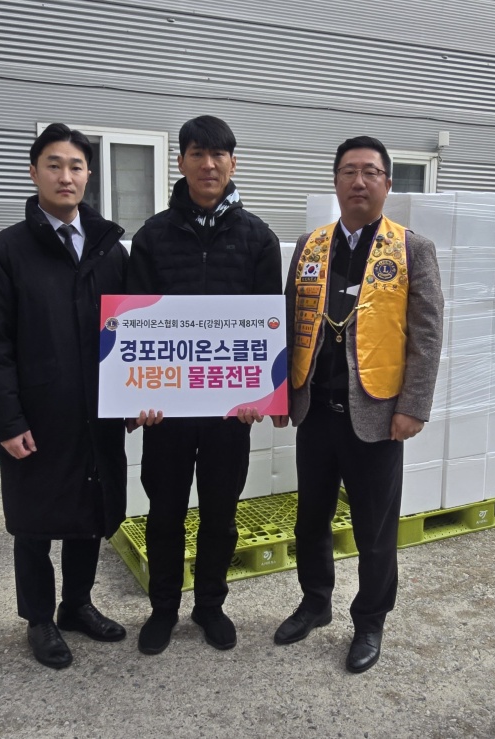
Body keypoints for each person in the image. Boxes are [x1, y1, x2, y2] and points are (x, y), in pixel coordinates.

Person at [273, 136, 444, 673]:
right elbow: (286, 321)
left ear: (388, 184)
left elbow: (427, 334)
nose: (359, 181)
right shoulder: (310, 246)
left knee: (375, 529)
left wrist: (413, 405)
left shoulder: (411, 249)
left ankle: (370, 621)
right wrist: (279, 393)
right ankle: (315, 602)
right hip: (315, 409)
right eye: (349, 171)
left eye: (371, 172)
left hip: (377, 413)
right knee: (311, 519)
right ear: (336, 182)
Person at [0, 123, 130, 670]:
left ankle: (77, 604)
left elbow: (131, 331)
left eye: (76, 166)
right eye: (54, 165)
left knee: (91, 510)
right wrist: (7, 420)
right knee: (35, 521)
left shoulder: (110, 251)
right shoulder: (5, 252)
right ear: (34, 172)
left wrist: (134, 397)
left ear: (89, 175)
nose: (66, 176)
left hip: (98, 410)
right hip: (38, 413)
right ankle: (38, 618)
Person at [124, 115, 284, 655]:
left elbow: (268, 325)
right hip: (166, 412)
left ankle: (210, 606)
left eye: (218, 155)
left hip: (228, 411)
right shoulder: (152, 237)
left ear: (234, 163)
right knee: (164, 512)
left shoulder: (258, 239)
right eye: (197, 154)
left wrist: (261, 394)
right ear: (182, 162)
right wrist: (138, 396)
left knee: (221, 513)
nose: (208, 165)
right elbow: (134, 325)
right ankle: (163, 609)